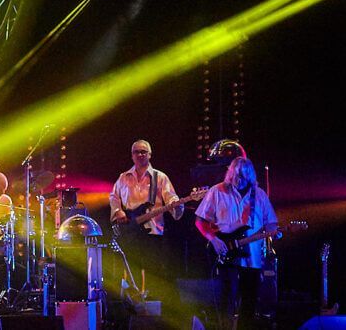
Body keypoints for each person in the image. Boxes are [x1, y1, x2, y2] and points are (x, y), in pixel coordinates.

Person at [195, 157, 278, 330]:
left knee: (249, 302)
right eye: (235, 175)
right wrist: (214, 240)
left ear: (250, 176)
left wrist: (276, 232)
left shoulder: (259, 195)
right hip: (226, 255)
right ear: (230, 173)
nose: (238, 179)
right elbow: (200, 222)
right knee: (226, 300)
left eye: (243, 176)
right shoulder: (216, 191)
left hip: (252, 258)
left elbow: (271, 224)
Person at [109, 140, 183, 303]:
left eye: (144, 151)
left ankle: (153, 308)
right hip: (129, 232)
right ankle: (132, 306)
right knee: (131, 271)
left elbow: (171, 196)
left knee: (153, 272)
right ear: (132, 156)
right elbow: (114, 197)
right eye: (137, 152)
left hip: (153, 231)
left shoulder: (160, 177)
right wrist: (118, 211)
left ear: (150, 155)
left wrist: (174, 203)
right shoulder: (123, 177)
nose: (140, 154)